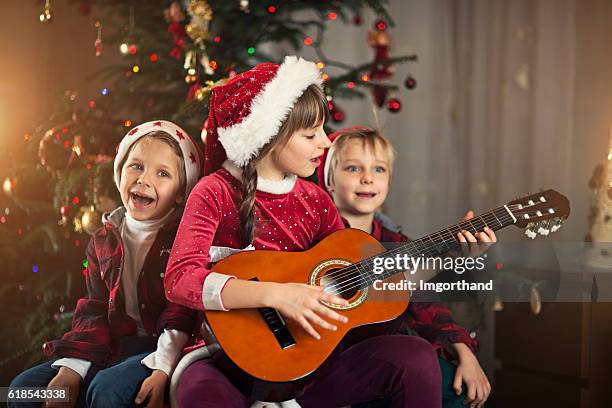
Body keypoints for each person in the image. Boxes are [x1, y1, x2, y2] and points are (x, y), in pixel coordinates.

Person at [163, 56, 459, 408]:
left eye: (323, 130)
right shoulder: (216, 191)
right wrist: (276, 296)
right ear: (270, 135)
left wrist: (455, 252)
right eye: (310, 134)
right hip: (224, 360)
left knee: (414, 356)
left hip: (310, 370)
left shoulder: (315, 199)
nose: (325, 143)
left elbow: (358, 273)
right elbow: (180, 277)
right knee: (200, 396)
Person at [9, 121, 202, 408]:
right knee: (21, 390)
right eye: (136, 166)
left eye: (162, 173)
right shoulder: (104, 238)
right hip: (112, 345)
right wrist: (71, 368)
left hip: (159, 349)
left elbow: (182, 312)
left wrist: (163, 367)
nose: (143, 179)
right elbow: (94, 306)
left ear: (180, 191)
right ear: (120, 171)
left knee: (106, 392)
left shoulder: (184, 239)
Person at [317, 126, 493, 408]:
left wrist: (465, 353)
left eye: (379, 170)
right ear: (329, 180)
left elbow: (427, 308)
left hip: (385, 357)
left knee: (459, 389)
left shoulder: (399, 245)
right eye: (352, 168)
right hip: (327, 361)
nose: (367, 178)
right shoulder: (316, 234)